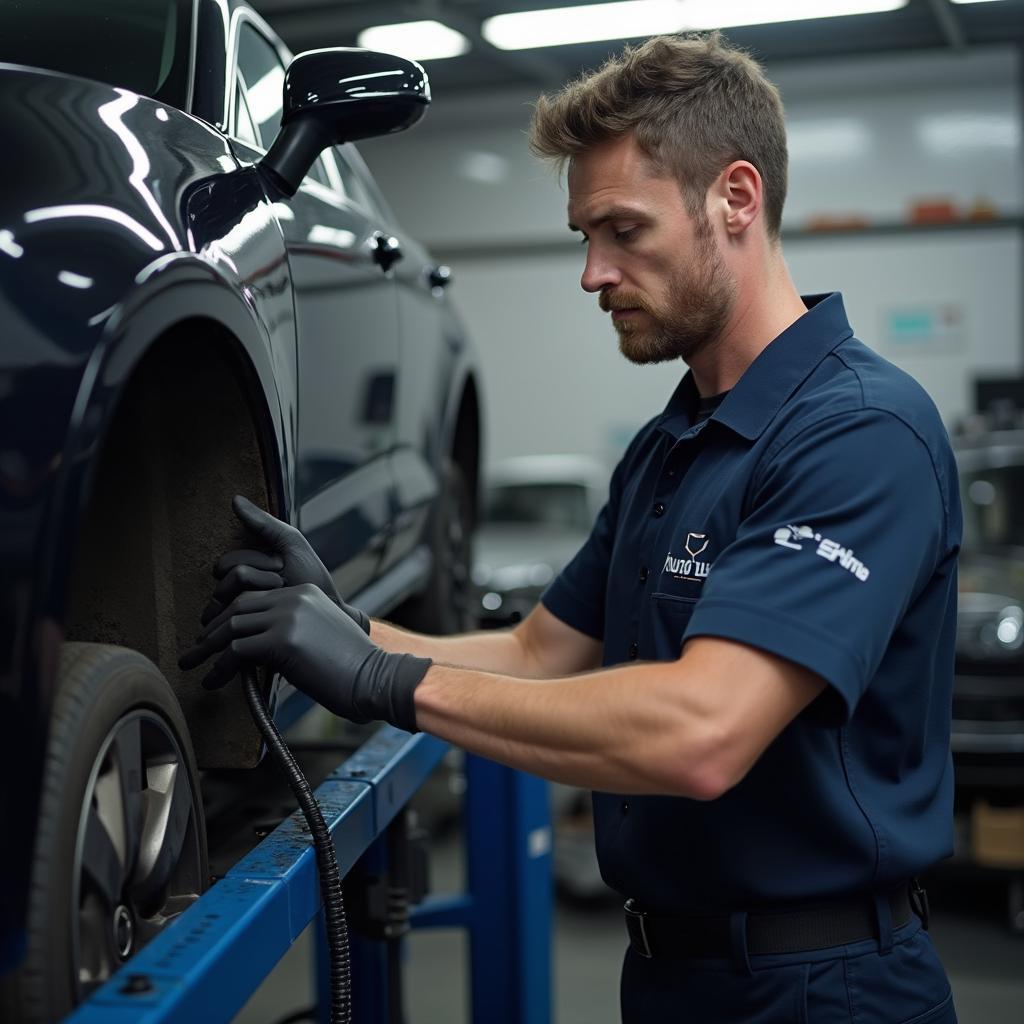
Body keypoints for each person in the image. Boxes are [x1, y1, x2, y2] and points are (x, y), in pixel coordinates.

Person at [180, 32, 961, 1023]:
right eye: (583, 236)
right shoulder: (668, 445)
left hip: (825, 986)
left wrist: (385, 681)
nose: (593, 273)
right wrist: (336, 629)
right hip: (672, 975)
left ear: (735, 197)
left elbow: (702, 730)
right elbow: (536, 651)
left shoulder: (856, 432)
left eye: (622, 230)